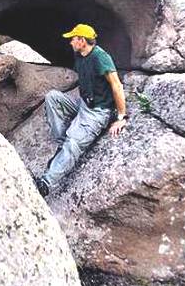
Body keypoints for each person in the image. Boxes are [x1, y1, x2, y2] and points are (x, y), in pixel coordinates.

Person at [34, 23, 128, 197]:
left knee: (73, 144)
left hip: (98, 112)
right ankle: (63, 145)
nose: (70, 42)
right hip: (83, 105)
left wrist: (121, 117)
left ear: (82, 41)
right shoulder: (80, 55)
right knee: (52, 97)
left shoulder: (101, 57)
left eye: (73, 39)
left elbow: (116, 85)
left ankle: (46, 183)